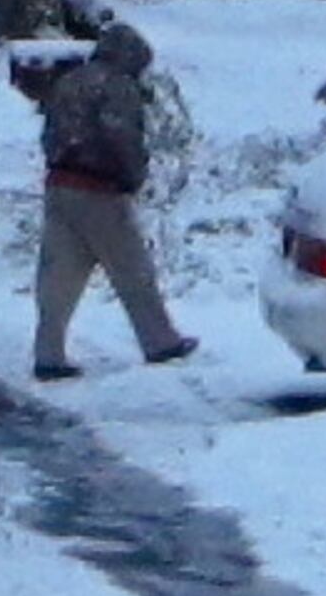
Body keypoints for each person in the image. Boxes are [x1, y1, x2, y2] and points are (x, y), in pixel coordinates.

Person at [22, 19, 196, 381]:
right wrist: (134, 177)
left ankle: (48, 354)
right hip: (99, 189)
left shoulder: (69, 80)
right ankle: (160, 342)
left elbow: (49, 133)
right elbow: (122, 137)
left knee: (59, 275)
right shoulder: (117, 85)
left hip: (59, 184)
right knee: (132, 268)